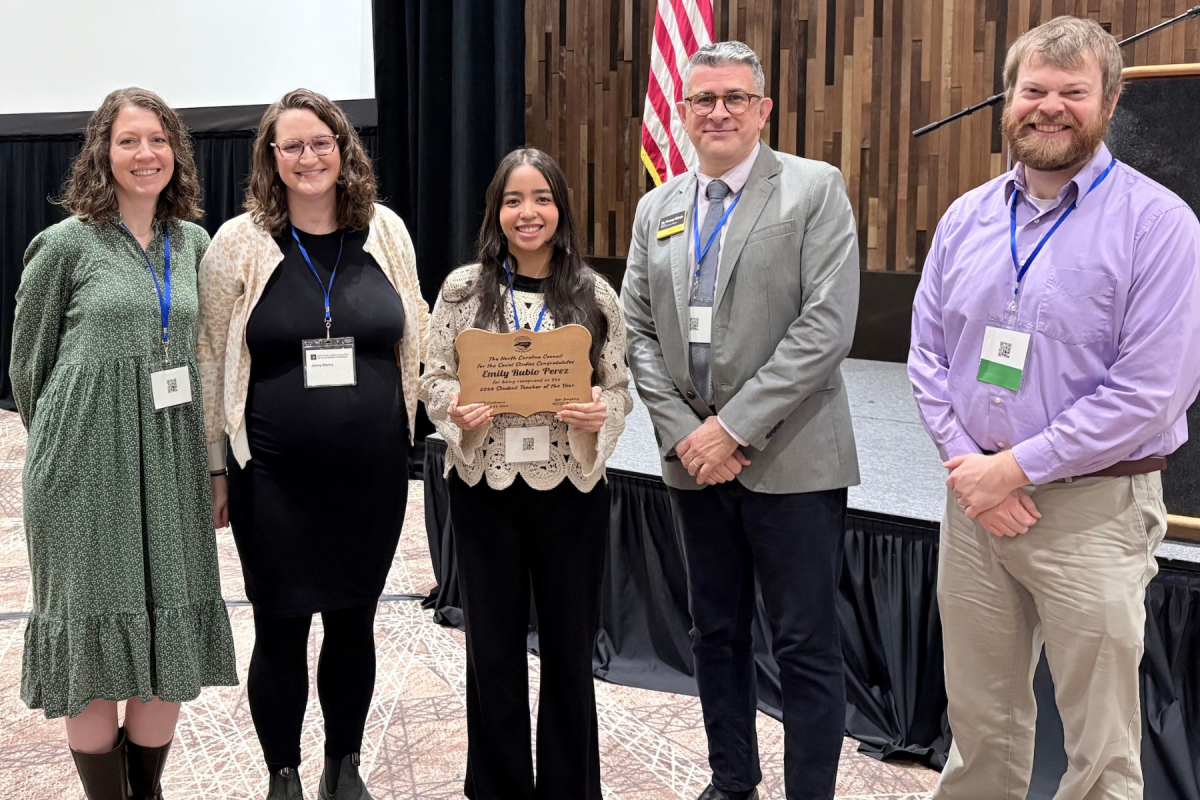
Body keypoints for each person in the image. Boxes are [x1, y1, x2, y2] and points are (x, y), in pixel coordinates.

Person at [908, 16, 1200, 800]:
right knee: (980, 733)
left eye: (1073, 91)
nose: (1050, 106)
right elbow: (928, 358)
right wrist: (971, 468)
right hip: (972, 509)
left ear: (1109, 102)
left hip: (1091, 513)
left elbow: (1151, 392)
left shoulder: (1161, 225)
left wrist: (1015, 469)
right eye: (1034, 89)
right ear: (1009, 99)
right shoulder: (967, 218)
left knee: (1101, 752)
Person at [622, 40, 861, 800]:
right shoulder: (656, 207)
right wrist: (688, 435)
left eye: (734, 98)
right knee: (714, 635)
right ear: (682, 112)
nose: (718, 112)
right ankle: (732, 782)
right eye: (703, 100)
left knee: (804, 646)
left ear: (763, 109)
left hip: (791, 457)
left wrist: (736, 428)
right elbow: (634, 331)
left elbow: (826, 327)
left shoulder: (813, 189)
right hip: (694, 462)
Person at [197, 89, 429, 800]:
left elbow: (413, 329)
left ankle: (343, 765)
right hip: (272, 480)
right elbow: (211, 359)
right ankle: (283, 772)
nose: (308, 158)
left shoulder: (385, 230)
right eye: (291, 146)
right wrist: (215, 467)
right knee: (281, 624)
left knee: (354, 621)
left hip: (372, 476)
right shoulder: (237, 242)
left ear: (343, 148)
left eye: (321, 142)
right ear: (271, 158)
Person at [10, 87, 238, 800]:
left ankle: (151, 791)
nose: (146, 154)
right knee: (88, 633)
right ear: (102, 154)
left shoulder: (195, 244)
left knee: (166, 620)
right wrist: (65, 441)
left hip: (170, 458)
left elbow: (207, 355)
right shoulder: (65, 245)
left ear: (177, 152)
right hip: (83, 466)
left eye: (159, 140)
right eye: (129, 141)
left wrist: (213, 467)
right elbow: (27, 366)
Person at [421, 147, 631, 800]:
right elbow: (432, 378)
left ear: (560, 208)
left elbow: (618, 384)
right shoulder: (461, 291)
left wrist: (603, 413)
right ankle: (498, 788)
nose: (527, 212)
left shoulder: (595, 295)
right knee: (494, 654)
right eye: (513, 200)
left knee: (569, 655)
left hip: (570, 490)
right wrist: (453, 409)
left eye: (541, 197)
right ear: (497, 213)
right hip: (484, 490)